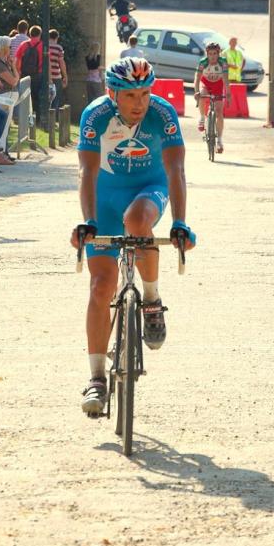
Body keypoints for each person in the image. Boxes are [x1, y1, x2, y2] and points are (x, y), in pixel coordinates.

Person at [70, 57, 196, 417]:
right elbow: (87, 172)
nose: (140, 103)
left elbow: (176, 167)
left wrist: (180, 222)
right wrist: (90, 221)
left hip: (148, 187)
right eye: (130, 95)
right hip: (106, 196)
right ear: (113, 93)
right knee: (100, 285)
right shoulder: (95, 116)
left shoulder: (162, 113)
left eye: (145, 93)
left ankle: (152, 301)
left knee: (138, 221)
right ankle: (96, 378)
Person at [194, 42, 231, 154]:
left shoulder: (223, 62)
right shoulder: (203, 62)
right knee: (202, 94)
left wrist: (228, 94)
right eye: (210, 54)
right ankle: (202, 118)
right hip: (205, 83)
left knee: (219, 113)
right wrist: (196, 92)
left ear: (218, 54)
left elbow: (225, 79)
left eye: (215, 53)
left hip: (217, 85)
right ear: (207, 54)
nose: (212, 56)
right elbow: (197, 78)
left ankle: (219, 140)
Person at [15, 25, 44, 120]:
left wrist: (18, 73)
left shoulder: (23, 45)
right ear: (40, 34)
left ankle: (24, 117)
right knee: (36, 96)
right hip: (38, 74)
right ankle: (36, 118)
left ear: (30, 33)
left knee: (24, 96)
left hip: (24, 74)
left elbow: (17, 61)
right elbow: (46, 62)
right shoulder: (43, 45)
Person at [48, 29, 68, 111]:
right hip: (56, 76)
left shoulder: (44, 46)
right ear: (57, 37)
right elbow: (61, 62)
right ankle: (53, 118)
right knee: (55, 98)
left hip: (46, 75)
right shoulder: (59, 48)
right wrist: (65, 76)